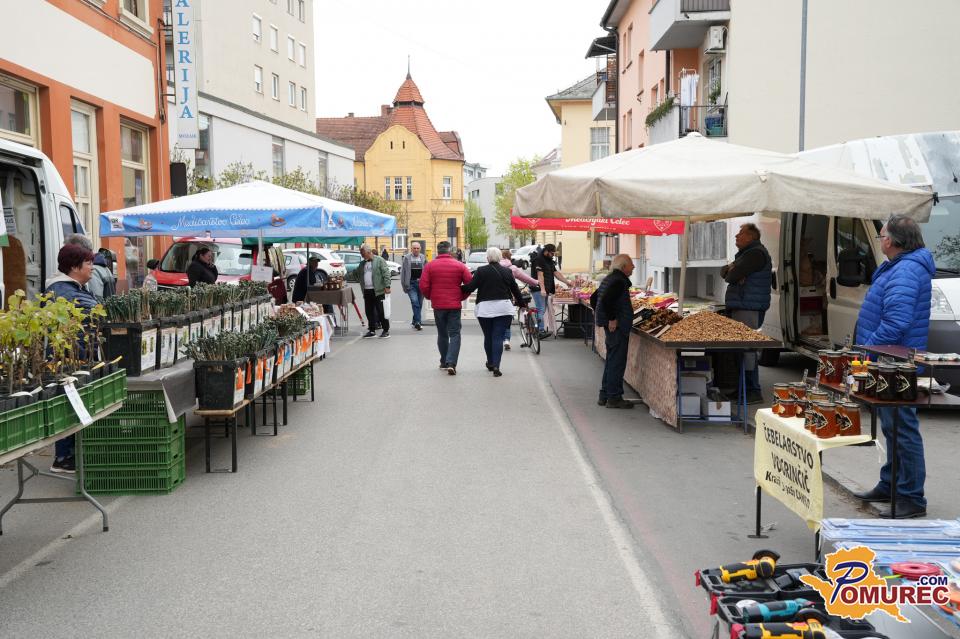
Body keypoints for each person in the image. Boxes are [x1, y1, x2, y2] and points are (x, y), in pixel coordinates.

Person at [853, 214, 934, 519]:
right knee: (892, 426)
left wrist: (867, 351)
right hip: (889, 360)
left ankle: (911, 496)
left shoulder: (906, 270)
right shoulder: (899, 267)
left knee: (902, 427)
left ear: (893, 241)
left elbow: (896, 322)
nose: (880, 240)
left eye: (882, 235)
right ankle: (890, 484)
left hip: (894, 362)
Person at [45, 244, 100, 473]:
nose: (92, 268)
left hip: (75, 357)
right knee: (69, 405)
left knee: (70, 403)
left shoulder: (73, 288)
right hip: (69, 359)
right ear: (75, 267)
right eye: (88, 263)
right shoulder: (65, 291)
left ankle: (66, 455)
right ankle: (64, 457)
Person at [719, 223, 772, 404]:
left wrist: (733, 271)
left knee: (747, 350)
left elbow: (731, 276)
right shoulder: (746, 254)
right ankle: (742, 388)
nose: (736, 236)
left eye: (740, 233)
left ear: (751, 237)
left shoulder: (755, 254)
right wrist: (732, 269)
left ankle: (752, 390)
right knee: (741, 350)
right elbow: (724, 271)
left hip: (748, 307)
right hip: (743, 305)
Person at [461, 247, 525, 377]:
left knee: (488, 336)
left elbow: (470, 287)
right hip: (504, 308)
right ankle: (496, 365)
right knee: (498, 337)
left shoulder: (481, 271)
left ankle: (490, 362)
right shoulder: (507, 271)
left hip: (485, 309)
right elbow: (515, 290)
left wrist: (457, 287)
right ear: (500, 257)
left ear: (487, 258)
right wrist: (522, 304)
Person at [419, 241, 471, 375]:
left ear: (438, 251)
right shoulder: (459, 265)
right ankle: (451, 363)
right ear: (449, 251)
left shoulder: (429, 266)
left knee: (442, 333)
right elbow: (469, 283)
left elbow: (423, 285)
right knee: (455, 333)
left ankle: (444, 361)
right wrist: (461, 296)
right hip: (454, 305)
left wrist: (430, 296)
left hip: (438, 304)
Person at [592, 254, 636, 409]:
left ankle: (604, 395)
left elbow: (594, 299)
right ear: (623, 267)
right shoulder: (618, 281)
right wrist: (611, 319)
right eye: (631, 264)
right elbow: (606, 300)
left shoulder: (610, 278)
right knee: (616, 362)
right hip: (618, 327)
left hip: (613, 327)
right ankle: (614, 397)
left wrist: (603, 316)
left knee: (611, 361)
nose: (633, 267)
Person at [347, 244, 391, 338]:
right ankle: (372, 330)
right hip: (367, 291)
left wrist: (387, 286)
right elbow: (355, 273)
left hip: (378, 290)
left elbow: (386, 273)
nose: (362, 255)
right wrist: (343, 277)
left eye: (363, 253)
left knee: (381, 311)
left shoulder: (379, 260)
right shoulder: (362, 263)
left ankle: (386, 330)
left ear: (368, 252)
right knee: (369, 311)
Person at [499, 248, 539, 351]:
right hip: (511, 295)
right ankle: (527, 324)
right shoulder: (512, 268)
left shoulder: (495, 267)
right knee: (520, 308)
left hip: (498, 296)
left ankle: (505, 340)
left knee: (501, 319)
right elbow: (525, 278)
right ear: (509, 257)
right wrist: (536, 282)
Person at [531, 243, 572, 339]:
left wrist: (567, 282)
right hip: (538, 289)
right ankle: (540, 331)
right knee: (541, 309)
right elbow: (540, 275)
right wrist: (542, 289)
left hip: (546, 289)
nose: (553, 255)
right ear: (546, 251)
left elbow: (556, 273)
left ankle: (537, 329)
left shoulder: (549, 260)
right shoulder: (538, 260)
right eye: (552, 253)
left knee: (542, 310)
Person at [401, 242, 427, 330]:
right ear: (411, 249)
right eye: (414, 248)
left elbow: (427, 270)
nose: (416, 250)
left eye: (417, 248)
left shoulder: (423, 257)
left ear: (420, 249)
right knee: (415, 302)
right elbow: (403, 272)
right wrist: (404, 285)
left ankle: (414, 320)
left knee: (419, 303)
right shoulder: (406, 258)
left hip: (421, 283)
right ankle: (418, 322)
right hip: (411, 283)